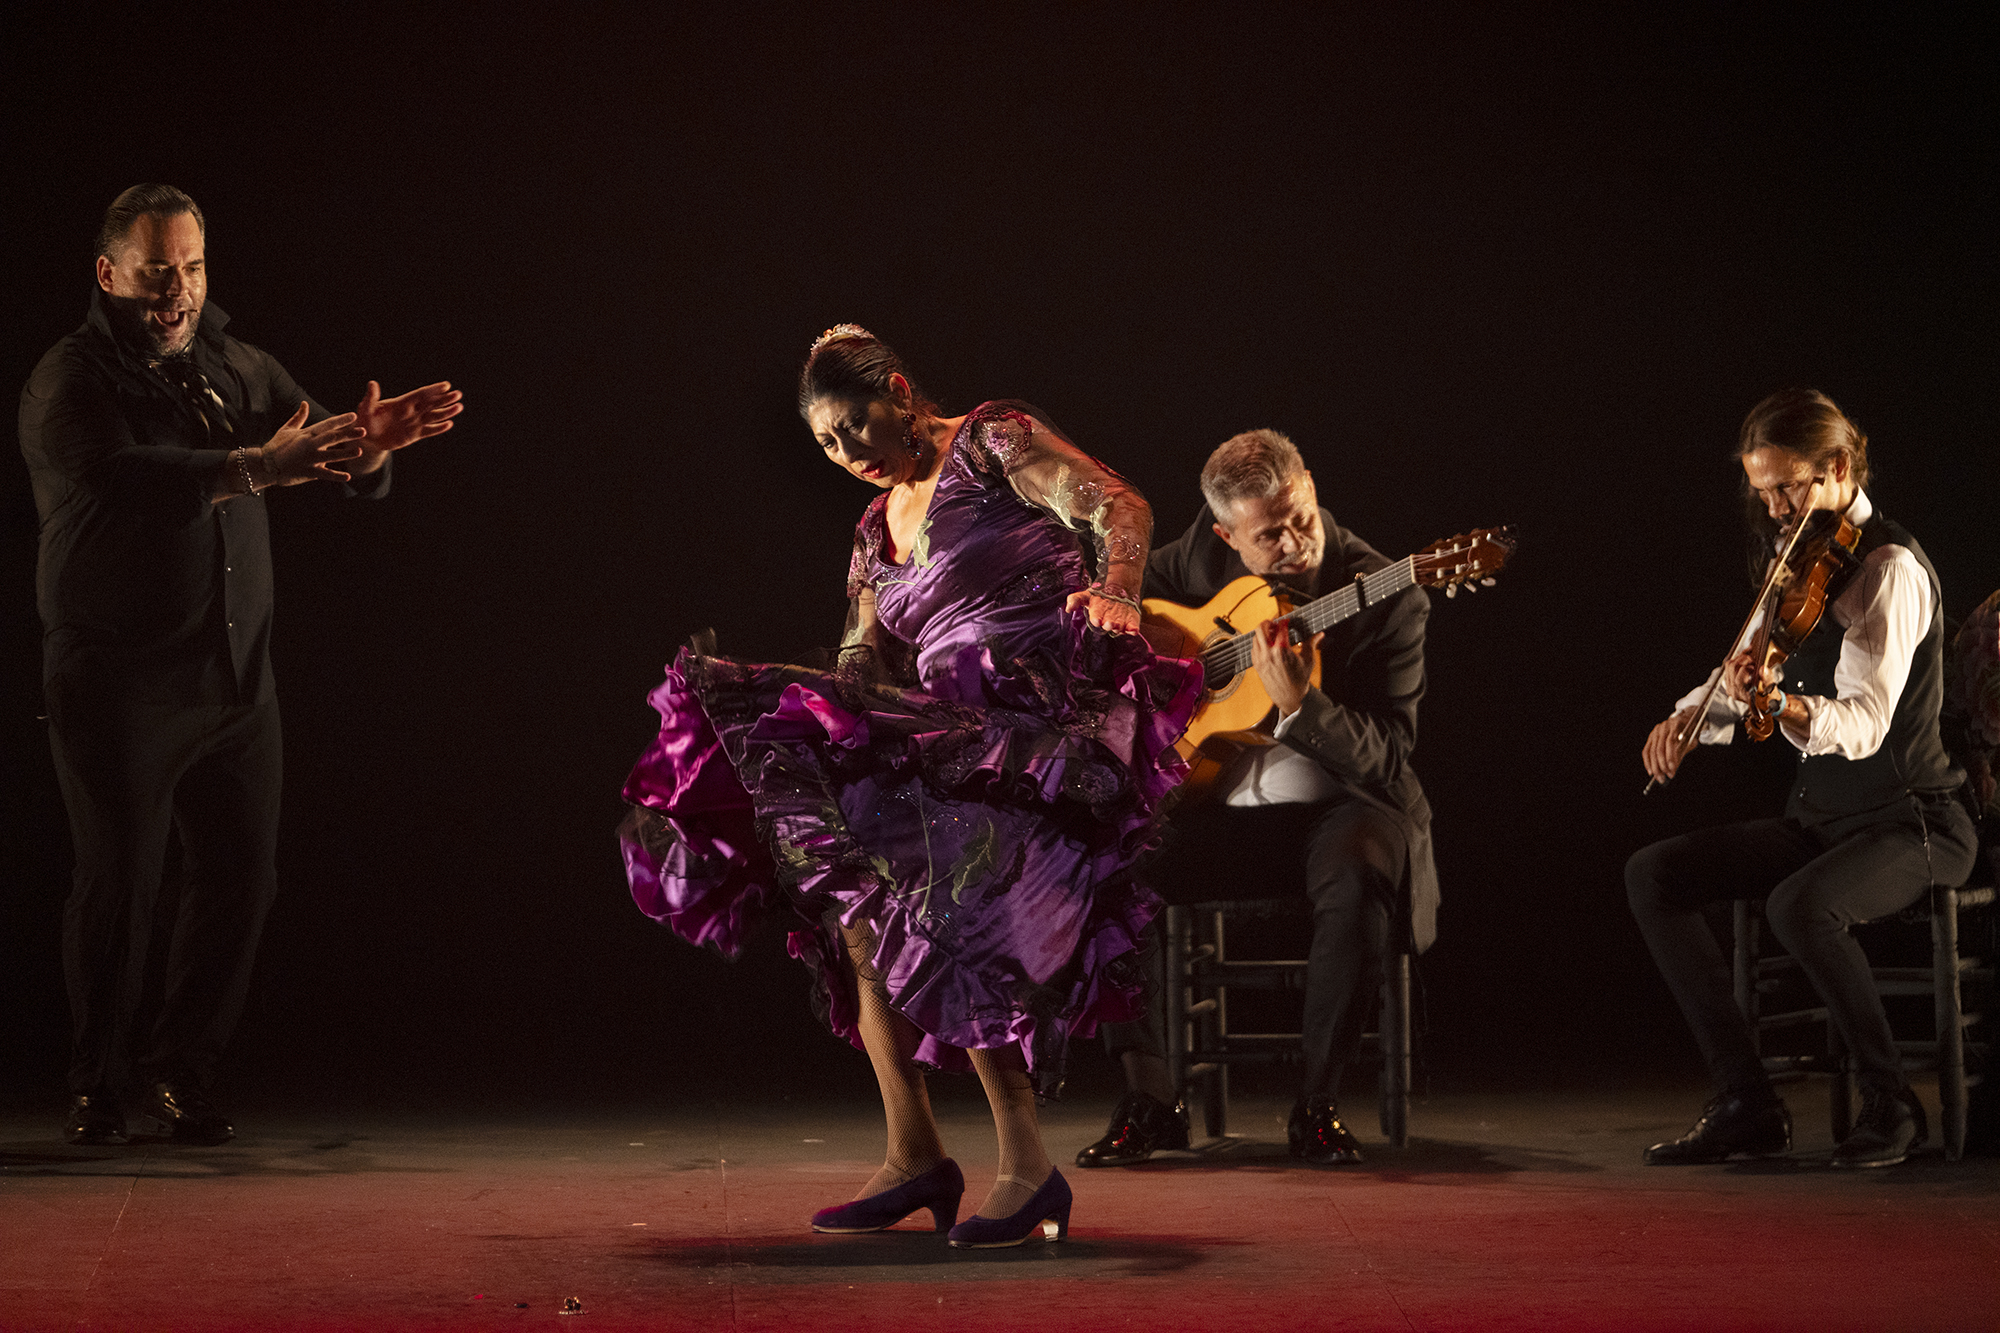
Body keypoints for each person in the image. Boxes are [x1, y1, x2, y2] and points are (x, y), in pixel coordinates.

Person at [618, 326, 1198, 1247]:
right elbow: (863, 655)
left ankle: (1027, 1168)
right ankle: (914, 1151)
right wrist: (814, 709)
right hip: (945, 736)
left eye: (854, 426)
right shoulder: (870, 531)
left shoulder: (991, 439)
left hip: (1038, 728)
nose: (847, 454)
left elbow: (1117, 505)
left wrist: (1119, 586)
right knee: (847, 891)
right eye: (825, 444)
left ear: (898, 390)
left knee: (939, 896)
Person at [20, 184, 464, 1146]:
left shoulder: (232, 360)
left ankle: (180, 1073)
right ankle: (96, 1083)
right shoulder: (70, 382)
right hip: (120, 680)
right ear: (110, 274)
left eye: (191, 268)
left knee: (240, 877)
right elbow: (129, 477)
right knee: (121, 883)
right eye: (155, 272)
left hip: (235, 680)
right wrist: (262, 467)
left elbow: (319, 435)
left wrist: (365, 446)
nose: (176, 291)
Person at [1629, 388, 1976, 1169]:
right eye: (1763, 491)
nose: (1778, 507)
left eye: (1789, 487)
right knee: (1655, 874)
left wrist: (1781, 704)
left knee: (1799, 905)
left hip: (1912, 819)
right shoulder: (1793, 561)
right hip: (1824, 818)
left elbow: (1863, 724)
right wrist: (1691, 719)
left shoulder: (1889, 568)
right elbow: (1740, 673)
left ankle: (1894, 1102)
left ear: (1838, 468)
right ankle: (1746, 1101)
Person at [1077, 428, 1437, 1167]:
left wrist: (1305, 707)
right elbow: (1129, 622)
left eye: (1301, 515)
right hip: (1219, 808)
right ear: (1225, 534)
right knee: (1110, 864)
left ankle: (1317, 1106)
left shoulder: (1387, 593)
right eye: (1267, 534)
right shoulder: (1193, 563)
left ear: (1308, 482)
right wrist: (1156, 663)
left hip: (1342, 805)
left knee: (1363, 866)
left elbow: (1390, 752)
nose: (1295, 541)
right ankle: (1149, 1099)